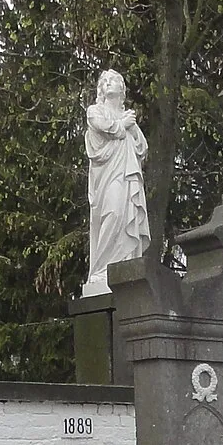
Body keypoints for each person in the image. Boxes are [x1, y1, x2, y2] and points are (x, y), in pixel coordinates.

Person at [83, 70, 149, 295]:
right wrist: (124, 124)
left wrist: (130, 126)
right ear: (101, 89)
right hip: (107, 176)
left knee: (125, 217)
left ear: (122, 89)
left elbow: (142, 147)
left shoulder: (128, 116)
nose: (109, 84)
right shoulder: (95, 111)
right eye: (105, 82)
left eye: (115, 81)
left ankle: (125, 267)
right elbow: (106, 127)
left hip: (126, 175)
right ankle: (102, 269)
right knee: (112, 214)